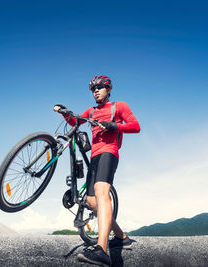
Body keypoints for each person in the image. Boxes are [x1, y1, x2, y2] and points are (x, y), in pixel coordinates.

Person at [54, 75, 140, 266]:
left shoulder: (119, 106)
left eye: (100, 87)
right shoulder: (91, 111)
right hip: (94, 156)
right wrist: (64, 112)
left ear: (108, 89)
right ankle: (121, 236)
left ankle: (102, 250)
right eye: (93, 89)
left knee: (102, 193)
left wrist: (113, 126)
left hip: (109, 153)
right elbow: (75, 122)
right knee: (92, 203)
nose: (96, 91)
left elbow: (136, 126)